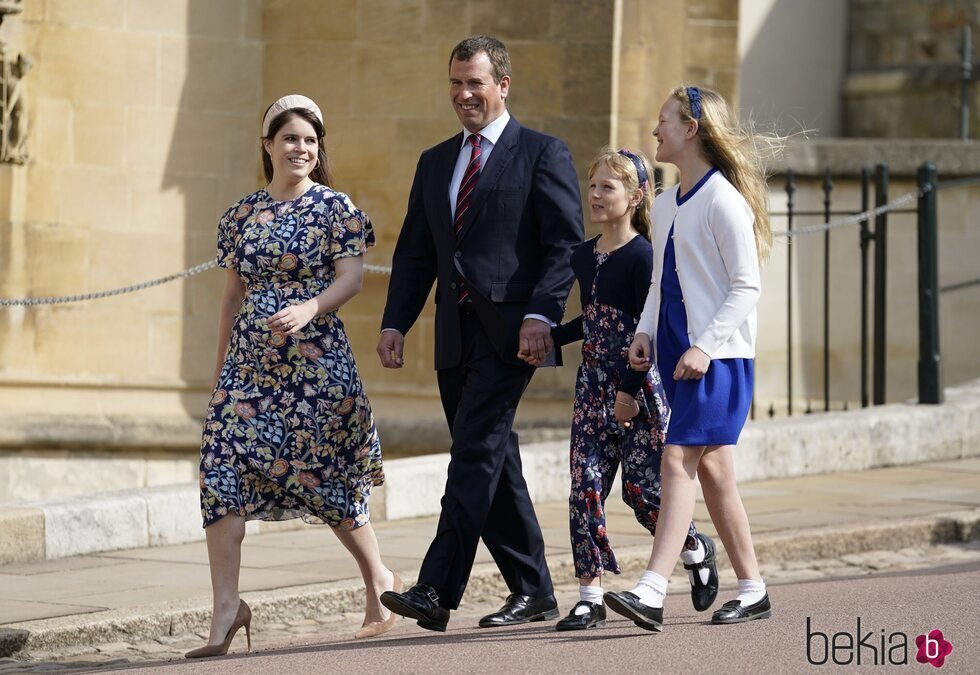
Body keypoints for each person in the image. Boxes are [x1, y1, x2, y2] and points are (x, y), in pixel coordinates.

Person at [376, 35, 584, 633]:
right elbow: (416, 252)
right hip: (452, 335)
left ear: (503, 86)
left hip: (513, 335)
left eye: (475, 83)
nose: (464, 94)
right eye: (455, 83)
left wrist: (542, 316)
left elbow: (564, 246)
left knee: (471, 453)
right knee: (494, 459)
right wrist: (395, 321)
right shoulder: (435, 161)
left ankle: (437, 589)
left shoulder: (543, 153)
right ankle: (534, 589)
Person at [187, 95, 401, 658]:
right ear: (268, 145)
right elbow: (232, 296)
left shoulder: (336, 208)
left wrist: (309, 307)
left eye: (309, 139)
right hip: (248, 372)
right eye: (289, 138)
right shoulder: (239, 216)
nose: (300, 148)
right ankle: (227, 609)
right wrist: (219, 379)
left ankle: (378, 576)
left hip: (316, 370)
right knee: (219, 472)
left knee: (323, 477)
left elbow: (352, 279)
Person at [604, 86, 773, 632]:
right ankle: (754, 589)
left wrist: (706, 346)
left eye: (663, 122)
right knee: (717, 471)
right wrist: (645, 333)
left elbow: (747, 287)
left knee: (678, 461)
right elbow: (659, 283)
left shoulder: (725, 200)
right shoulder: (669, 201)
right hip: (678, 350)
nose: (654, 131)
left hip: (718, 356)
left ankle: (652, 589)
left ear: (692, 129)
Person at [538, 149, 717, 631]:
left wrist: (629, 390)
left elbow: (647, 327)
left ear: (636, 196)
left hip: (635, 389)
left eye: (607, 188)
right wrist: (551, 337)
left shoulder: (644, 257)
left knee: (643, 494)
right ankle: (589, 596)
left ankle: (695, 548)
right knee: (585, 486)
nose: (595, 195)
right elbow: (595, 318)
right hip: (590, 388)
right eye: (592, 186)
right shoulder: (583, 254)